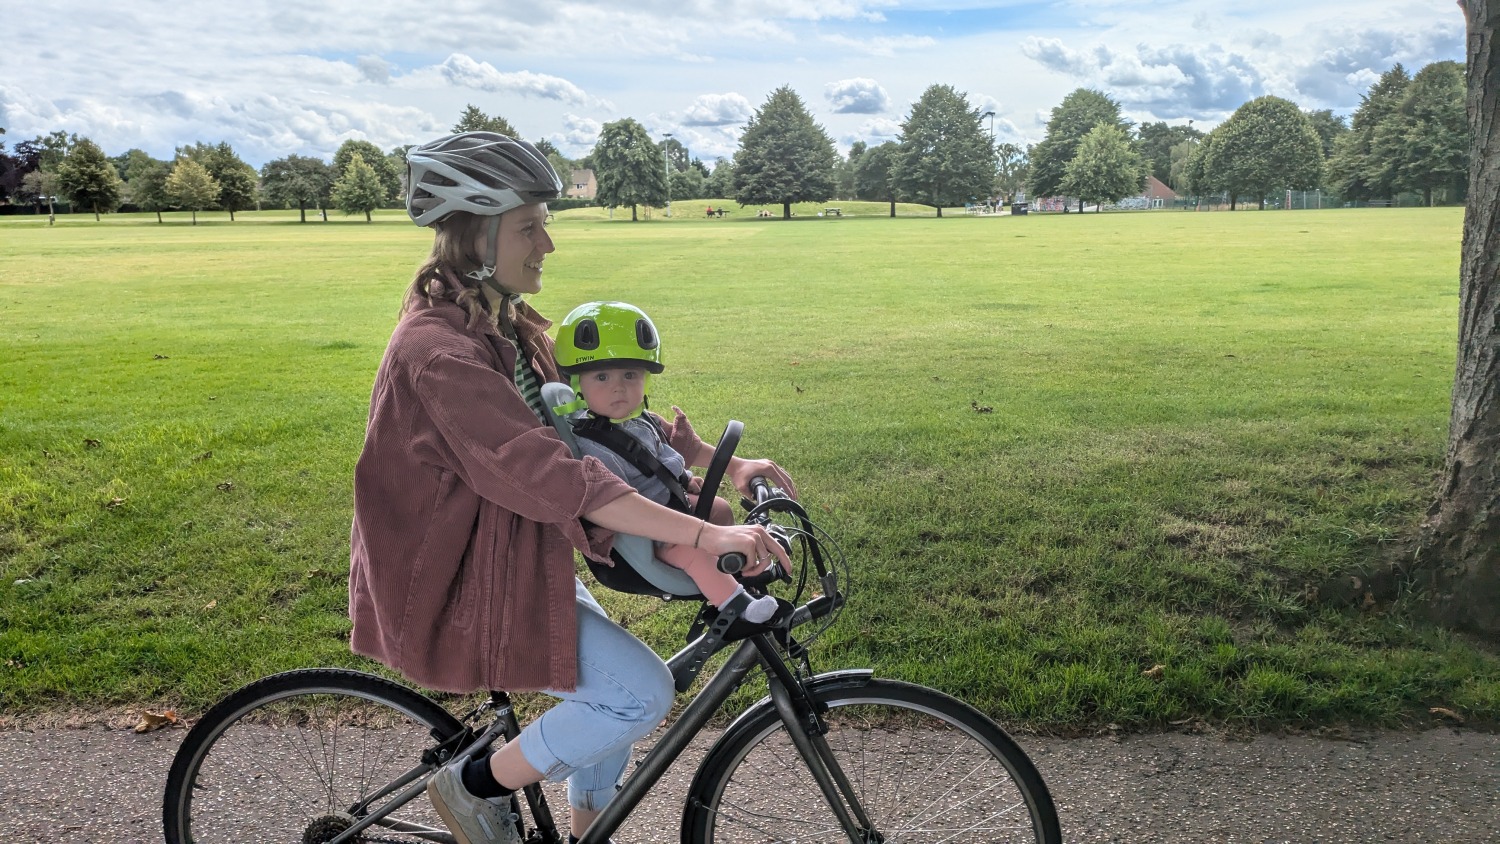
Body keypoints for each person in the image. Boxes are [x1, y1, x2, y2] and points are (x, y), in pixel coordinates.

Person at [347, 132, 795, 844]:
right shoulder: (440, 352)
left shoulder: (509, 326)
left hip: (523, 556)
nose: (547, 244)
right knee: (638, 696)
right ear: (476, 235)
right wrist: (707, 533)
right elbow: (557, 478)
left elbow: (607, 422)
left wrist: (720, 461)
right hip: (465, 580)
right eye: (530, 226)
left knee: (613, 701)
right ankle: (470, 787)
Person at [552, 300, 782, 625]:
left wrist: (689, 479)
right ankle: (733, 604)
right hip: (651, 531)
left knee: (718, 509)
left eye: (630, 374)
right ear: (577, 383)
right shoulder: (595, 448)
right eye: (601, 376)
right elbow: (616, 504)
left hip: (672, 505)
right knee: (693, 552)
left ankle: (736, 568)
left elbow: (668, 453)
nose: (619, 386)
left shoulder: (638, 421)